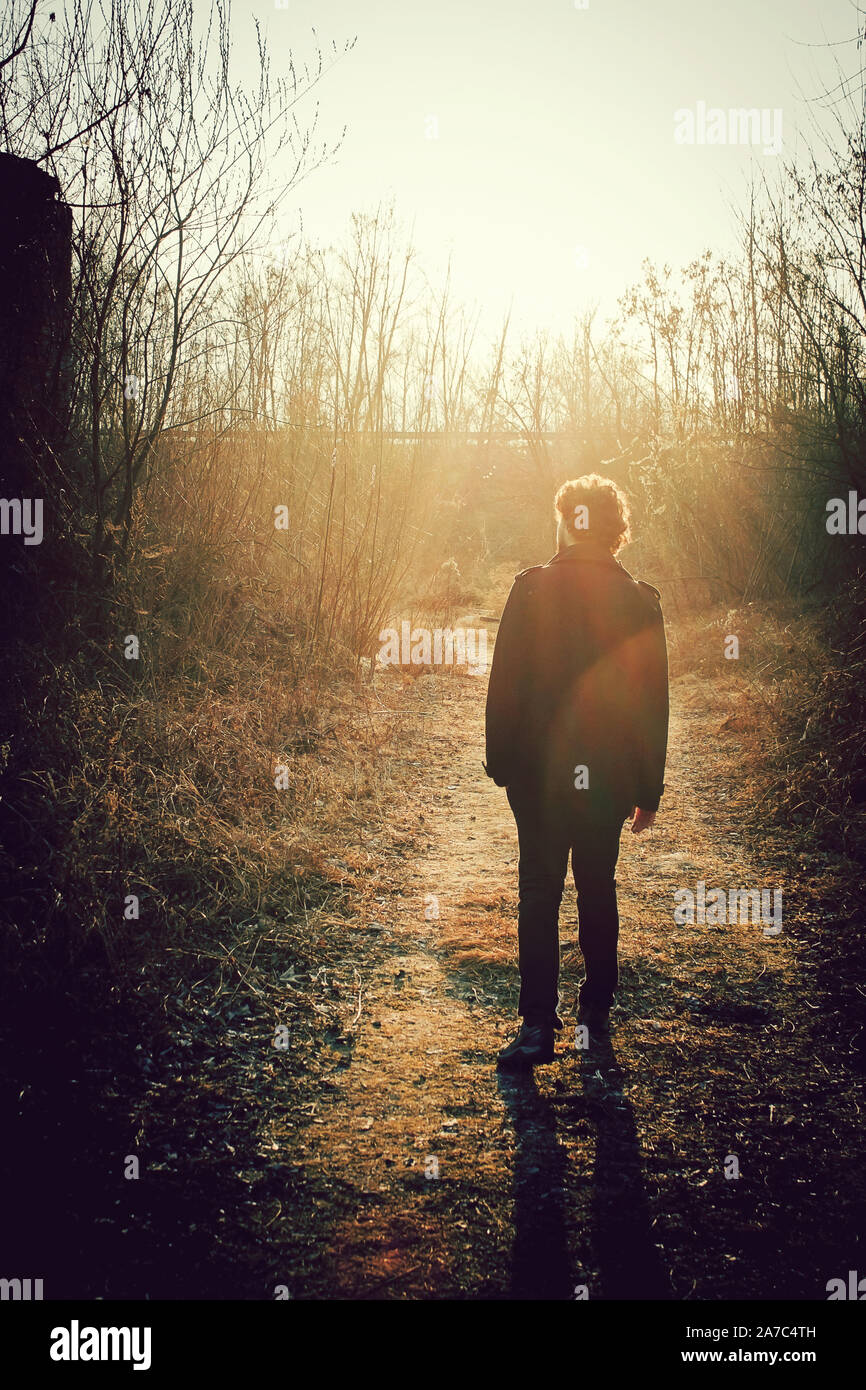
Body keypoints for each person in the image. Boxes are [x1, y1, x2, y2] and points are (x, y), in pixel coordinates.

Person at [484, 473, 669, 1069]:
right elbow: (651, 701)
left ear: (567, 521)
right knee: (597, 886)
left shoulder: (531, 589)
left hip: (538, 775)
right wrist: (648, 787)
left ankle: (537, 1026)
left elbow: (504, 681)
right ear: (617, 532)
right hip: (609, 776)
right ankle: (595, 1020)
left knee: (538, 892)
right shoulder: (641, 599)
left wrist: (503, 761)